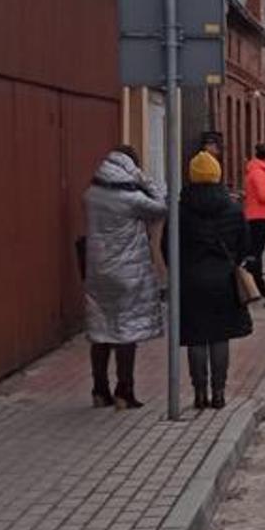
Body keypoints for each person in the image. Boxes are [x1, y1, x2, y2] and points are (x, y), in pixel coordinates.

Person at [82, 146, 167, 410]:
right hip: (128, 273)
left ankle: (99, 390)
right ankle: (124, 391)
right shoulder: (132, 200)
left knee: (101, 329)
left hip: (97, 271)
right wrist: (142, 178)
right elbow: (161, 206)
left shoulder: (91, 194)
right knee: (126, 331)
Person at [179, 152, 254, 409]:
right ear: (217, 175)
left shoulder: (181, 211)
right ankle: (219, 392)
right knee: (220, 337)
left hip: (190, 281)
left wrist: (181, 270)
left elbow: (170, 248)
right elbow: (245, 244)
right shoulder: (232, 209)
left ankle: (199, 392)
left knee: (196, 337)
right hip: (223, 281)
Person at [243, 144, 265, 299]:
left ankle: (253, 285)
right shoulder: (260, 173)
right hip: (259, 217)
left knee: (253, 253)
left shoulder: (256, 170)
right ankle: (257, 286)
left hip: (255, 216)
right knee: (256, 254)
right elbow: (263, 196)